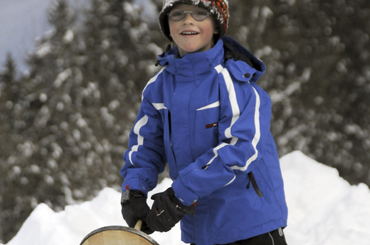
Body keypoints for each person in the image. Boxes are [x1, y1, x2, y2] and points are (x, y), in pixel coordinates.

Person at [120, 0, 288, 244]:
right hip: (200, 231)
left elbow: (240, 148)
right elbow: (146, 148)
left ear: (217, 25)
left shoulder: (236, 82)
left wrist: (178, 196)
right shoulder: (158, 89)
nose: (188, 20)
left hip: (251, 226)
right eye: (177, 14)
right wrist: (133, 192)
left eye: (199, 13)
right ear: (167, 25)